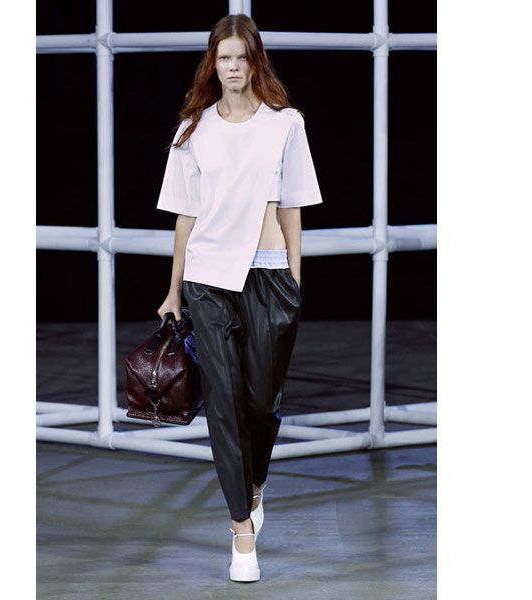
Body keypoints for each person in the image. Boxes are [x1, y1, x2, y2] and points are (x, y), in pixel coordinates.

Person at [156, 13, 322, 582]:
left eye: (240, 57)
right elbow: (185, 216)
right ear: (213, 63)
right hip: (207, 279)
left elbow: (293, 205)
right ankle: (241, 532)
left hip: (269, 275)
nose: (231, 67)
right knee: (223, 405)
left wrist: (294, 278)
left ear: (255, 62)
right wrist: (173, 290)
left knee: (262, 403)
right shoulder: (193, 130)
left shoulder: (285, 124)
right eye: (222, 58)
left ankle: (254, 486)